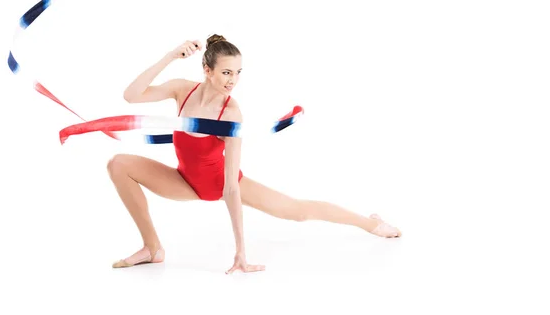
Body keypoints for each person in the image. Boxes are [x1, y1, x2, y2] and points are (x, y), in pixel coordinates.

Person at [107, 34, 401, 274]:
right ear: (206, 71)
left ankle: (371, 223)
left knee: (298, 211)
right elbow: (131, 96)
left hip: (221, 184)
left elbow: (231, 186)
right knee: (118, 163)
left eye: (237, 73)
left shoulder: (231, 114)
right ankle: (153, 248)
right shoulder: (182, 90)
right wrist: (171, 55)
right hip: (183, 181)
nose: (232, 80)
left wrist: (240, 252)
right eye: (225, 72)